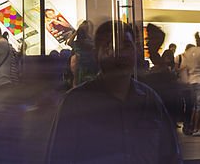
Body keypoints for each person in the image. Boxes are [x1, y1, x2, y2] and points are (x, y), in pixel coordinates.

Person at [46, 20, 181, 164]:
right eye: (109, 47)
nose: (119, 54)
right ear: (96, 54)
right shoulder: (76, 102)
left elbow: (170, 154)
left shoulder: (150, 99)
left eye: (126, 46)